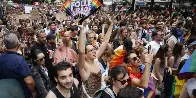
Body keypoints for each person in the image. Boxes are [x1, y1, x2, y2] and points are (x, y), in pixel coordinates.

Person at [78, 19, 113, 97]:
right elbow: (81, 51)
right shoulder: (83, 66)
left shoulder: (96, 58)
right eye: (91, 50)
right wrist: (81, 30)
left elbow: (105, 42)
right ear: (85, 54)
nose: (94, 51)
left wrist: (111, 25)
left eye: (94, 49)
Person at [0, 33, 36, 98]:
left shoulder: (1, 58)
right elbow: (29, 81)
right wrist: (33, 92)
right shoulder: (19, 60)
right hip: (20, 93)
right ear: (17, 44)